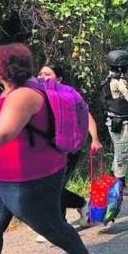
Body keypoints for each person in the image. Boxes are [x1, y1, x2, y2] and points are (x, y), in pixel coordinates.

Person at [0, 44, 103, 254]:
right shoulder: (9, 92)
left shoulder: (24, 95)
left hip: (30, 179)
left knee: (49, 226)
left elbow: (4, 133)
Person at [35, 64, 102, 242]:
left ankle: (58, 225)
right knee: (49, 188)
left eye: (47, 74)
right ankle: (82, 204)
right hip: (46, 151)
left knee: (54, 188)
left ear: (59, 79)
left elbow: (86, 116)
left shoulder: (69, 95)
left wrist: (94, 138)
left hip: (69, 149)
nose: (42, 76)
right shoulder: (37, 96)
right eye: (40, 73)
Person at [100, 50, 128, 194]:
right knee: (122, 153)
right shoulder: (119, 81)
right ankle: (120, 187)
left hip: (113, 120)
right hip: (122, 122)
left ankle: (115, 184)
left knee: (118, 151)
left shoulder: (108, 79)